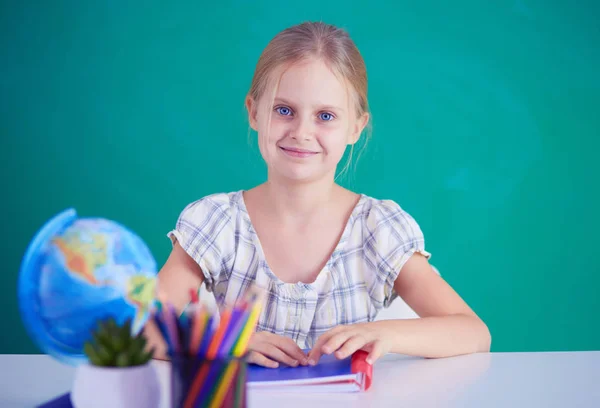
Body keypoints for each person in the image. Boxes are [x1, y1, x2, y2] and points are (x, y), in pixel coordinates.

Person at [146, 21, 491, 368]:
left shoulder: (377, 229)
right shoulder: (217, 222)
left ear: (355, 128)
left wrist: (387, 334)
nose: (302, 132)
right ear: (254, 112)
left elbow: (473, 332)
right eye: (284, 111)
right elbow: (142, 329)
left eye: (325, 116)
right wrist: (224, 343)